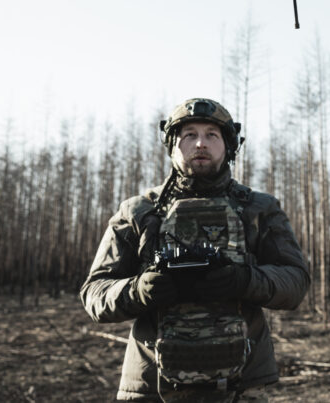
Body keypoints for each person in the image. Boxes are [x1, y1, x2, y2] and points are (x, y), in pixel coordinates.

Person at [80, 98, 310, 402]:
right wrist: (139, 290)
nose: (200, 143)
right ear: (172, 145)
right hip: (151, 387)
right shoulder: (138, 211)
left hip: (241, 386)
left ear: (229, 146)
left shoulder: (258, 208)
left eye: (212, 135)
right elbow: (94, 293)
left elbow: (295, 281)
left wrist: (245, 280)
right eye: (189, 134)